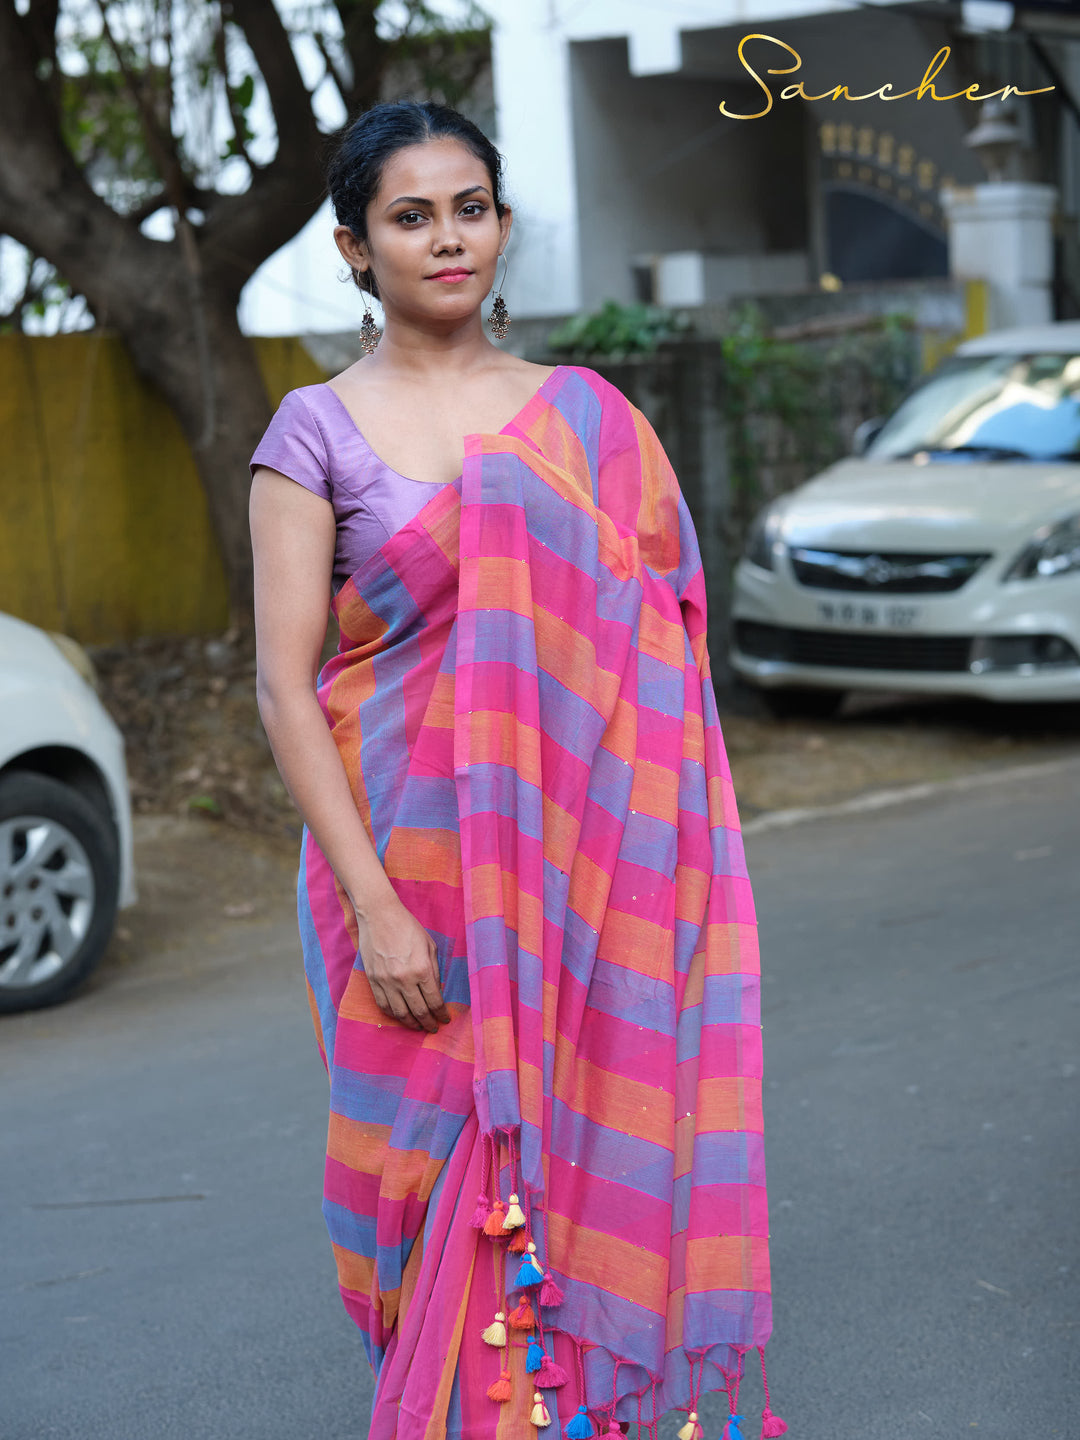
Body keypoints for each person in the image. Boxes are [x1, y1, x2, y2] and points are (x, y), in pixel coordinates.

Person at [249, 100, 780, 1440]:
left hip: (566, 881)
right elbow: (285, 687)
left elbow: (656, 656)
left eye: (470, 208)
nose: (447, 239)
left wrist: (653, 876)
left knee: (561, 1189)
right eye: (411, 216)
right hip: (397, 878)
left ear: (500, 223)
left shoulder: (589, 423)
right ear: (354, 248)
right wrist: (377, 905)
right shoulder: (310, 432)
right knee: (435, 1193)